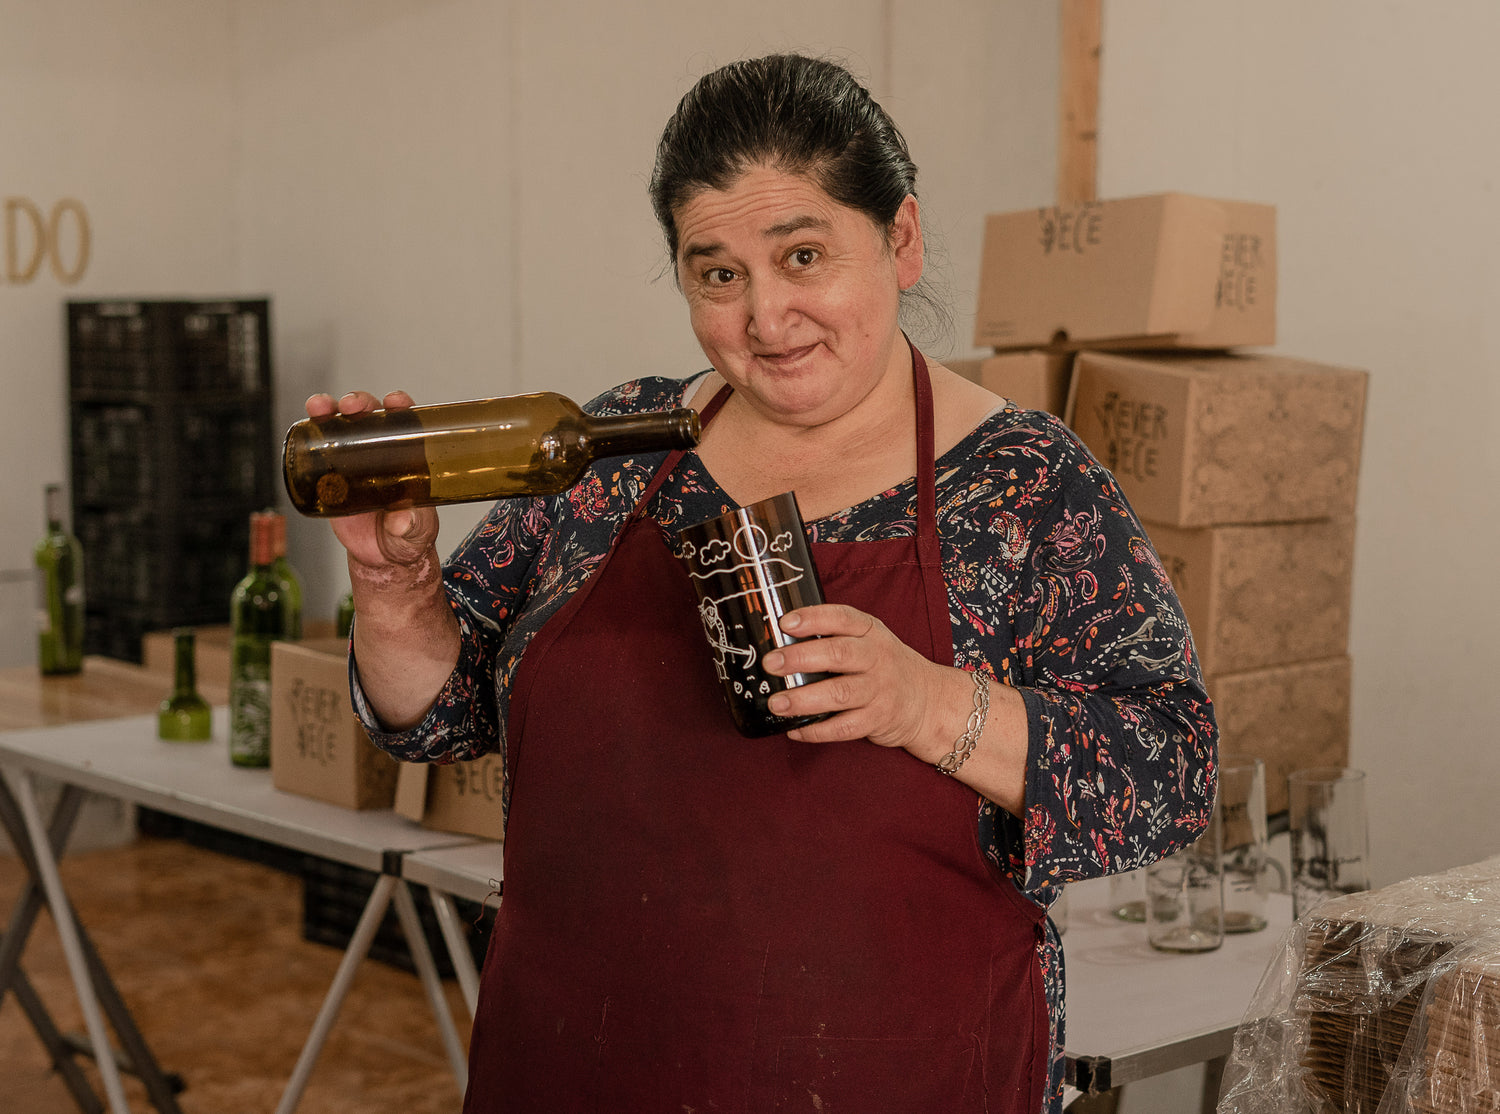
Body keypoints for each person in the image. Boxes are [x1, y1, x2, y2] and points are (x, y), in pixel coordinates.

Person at [310, 53, 1217, 1114]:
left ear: (902, 240)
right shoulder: (622, 450)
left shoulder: (1024, 483)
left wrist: (927, 703)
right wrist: (393, 582)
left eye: (803, 256)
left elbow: (1172, 771)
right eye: (719, 275)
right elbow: (437, 713)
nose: (767, 317)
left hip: (898, 1080)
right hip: (571, 1066)